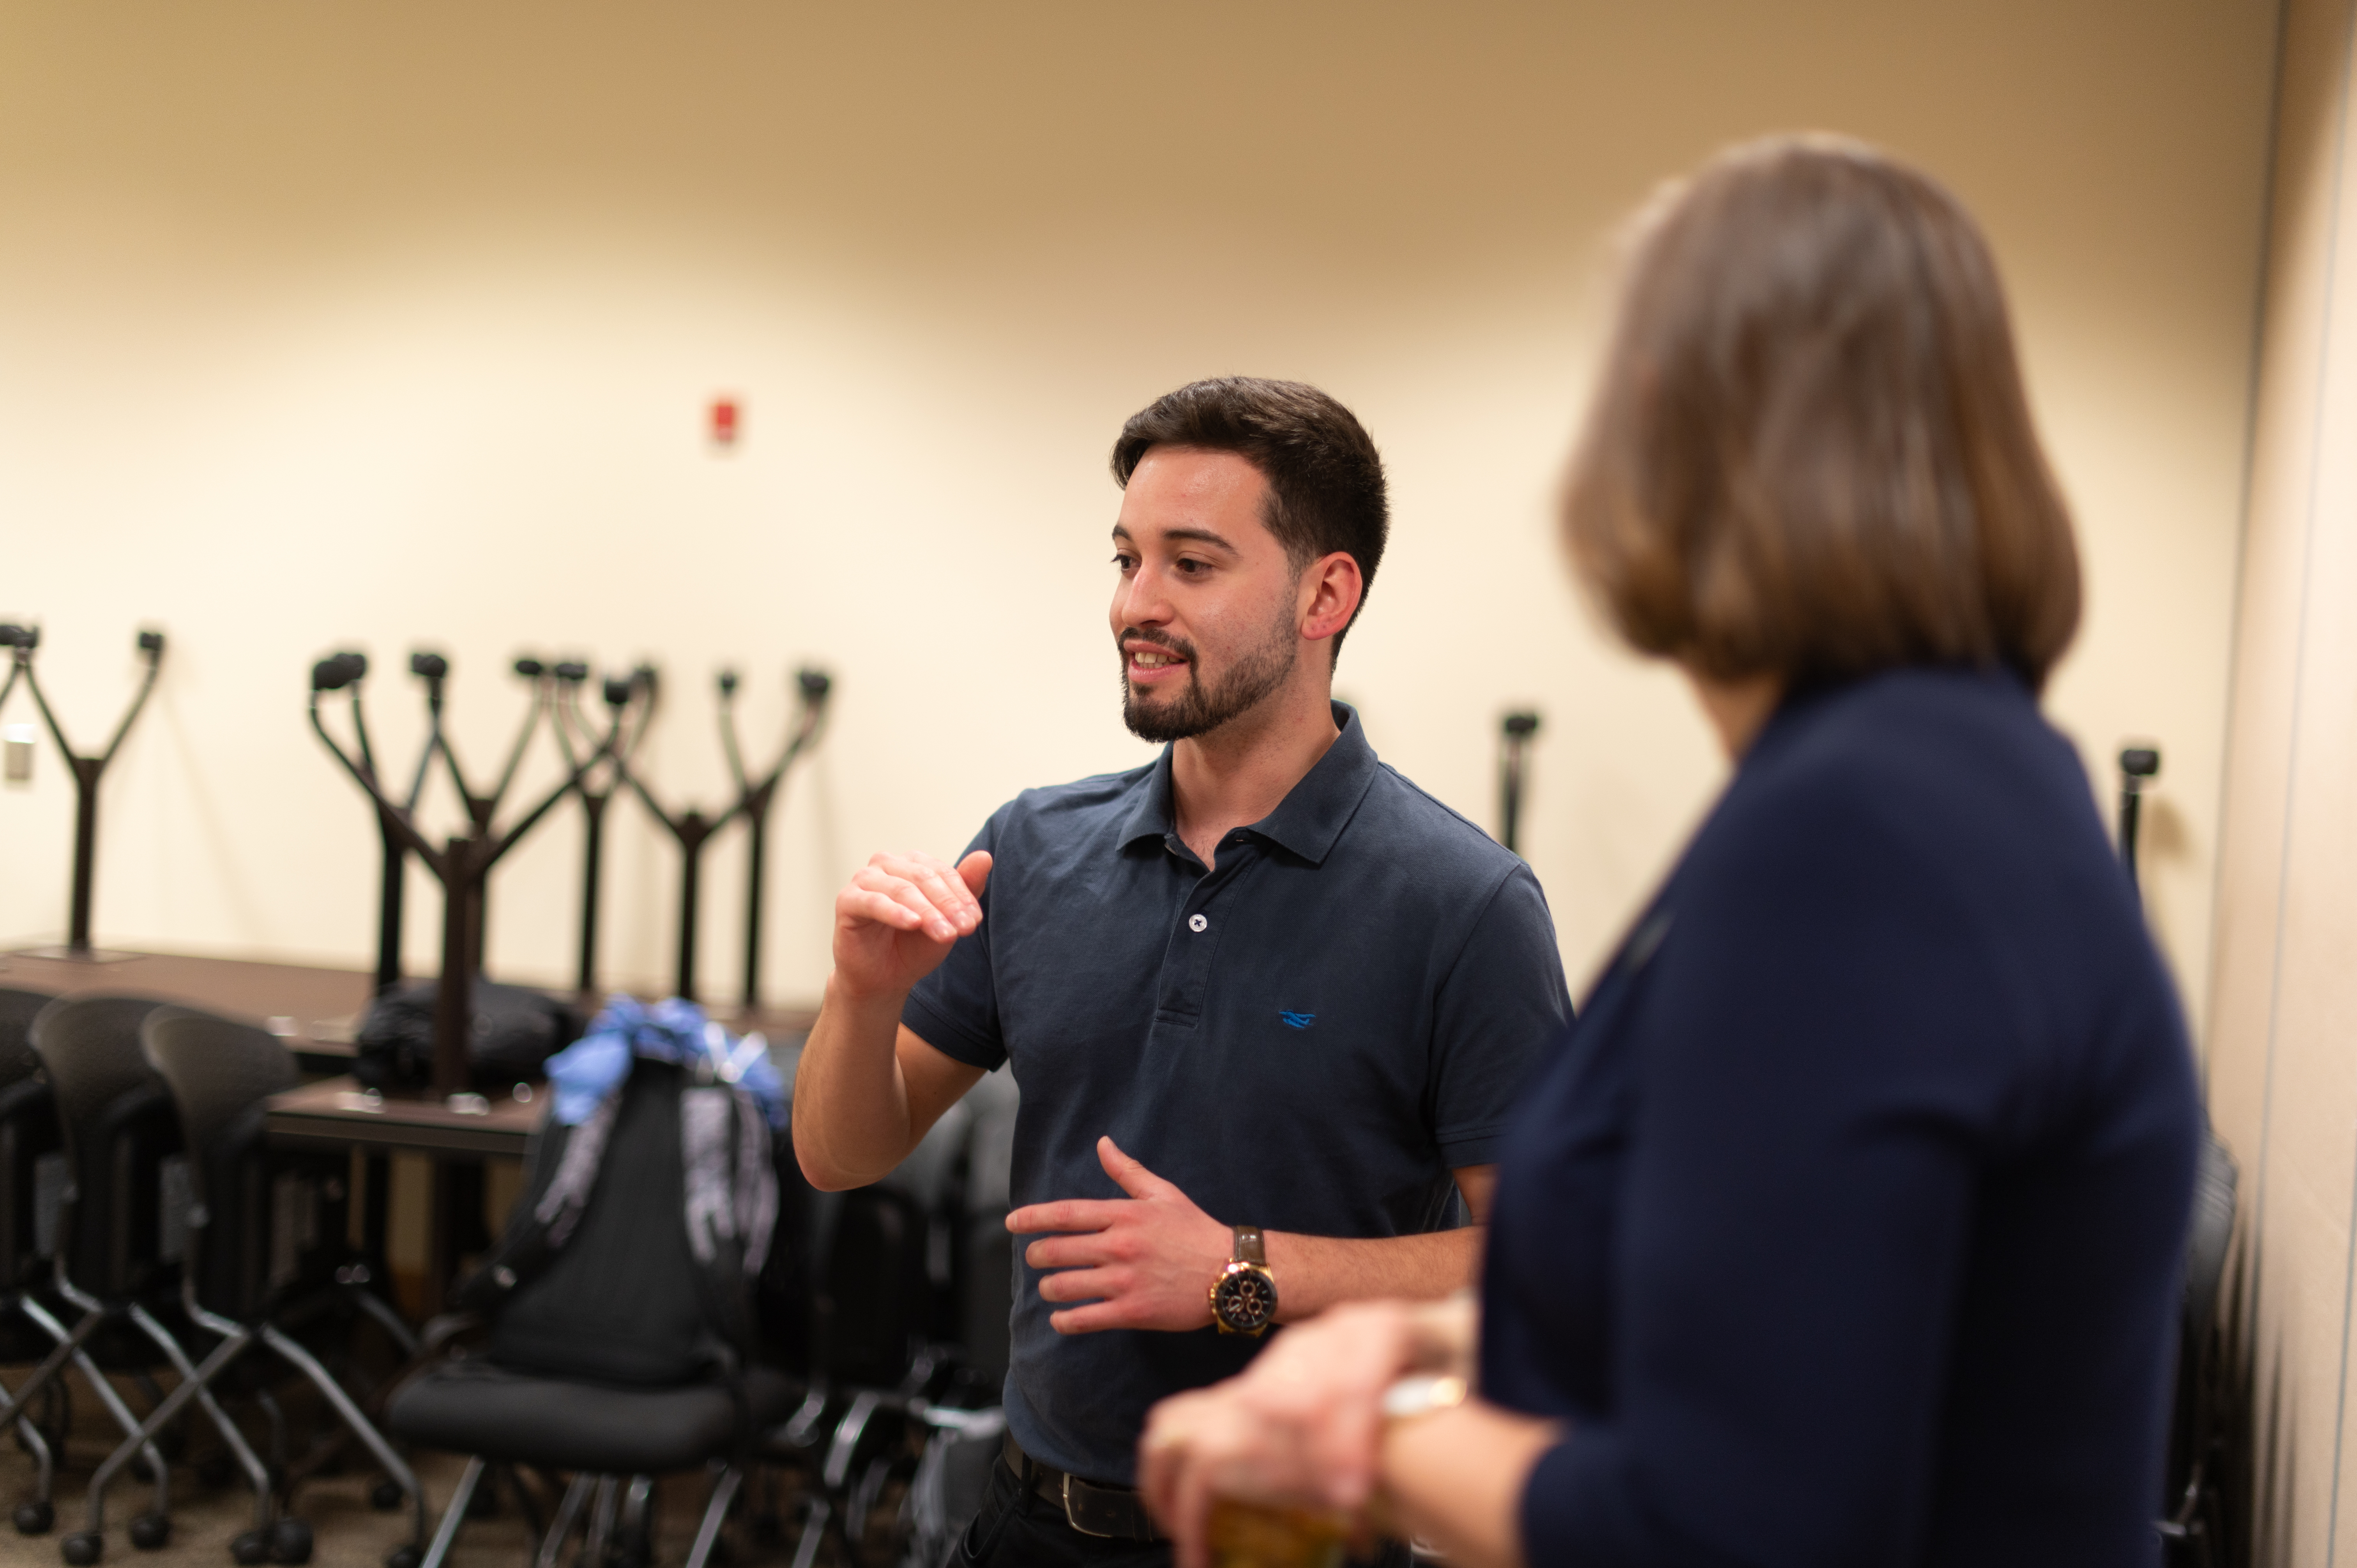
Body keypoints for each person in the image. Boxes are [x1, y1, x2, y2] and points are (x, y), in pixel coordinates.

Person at [1136, 138, 2203, 1568]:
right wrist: (1410, 1343)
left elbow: (1728, 1519)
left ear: (1677, 433)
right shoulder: (1952, 771)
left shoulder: (1865, 831)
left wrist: (1347, 1440)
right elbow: (1779, 1313)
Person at [791, 376, 1574, 1565]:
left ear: (1327, 593)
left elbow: (1541, 1273)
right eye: (1125, 560)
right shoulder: (1035, 849)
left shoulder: (1465, 905)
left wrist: (1239, 1271)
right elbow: (840, 1153)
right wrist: (863, 994)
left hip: (1293, 1536)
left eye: (1191, 566)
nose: (1134, 606)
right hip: (1027, 1520)